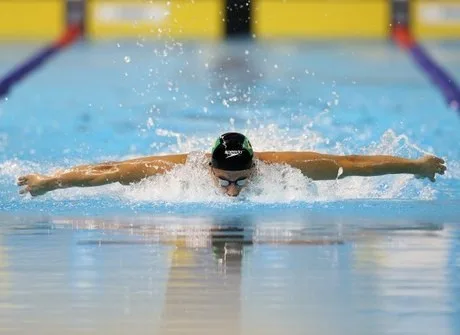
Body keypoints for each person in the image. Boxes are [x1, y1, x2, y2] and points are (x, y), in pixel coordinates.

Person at [17, 132, 446, 197]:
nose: (234, 192)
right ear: (209, 169)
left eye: (244, 179)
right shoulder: (178, 169)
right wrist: (48, 182)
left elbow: (352, 164)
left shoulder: (289, 169)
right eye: (225, 181)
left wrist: (417, 165)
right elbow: (110, 171)